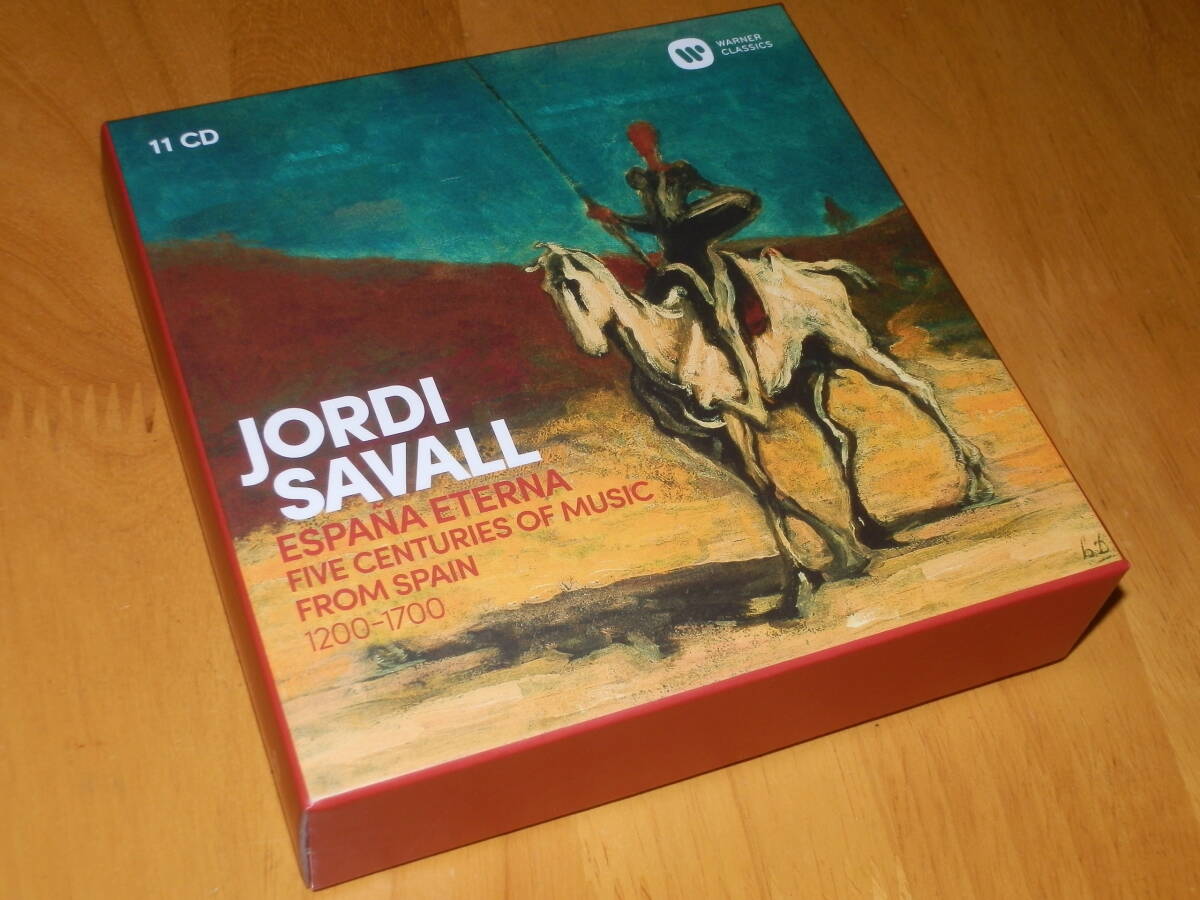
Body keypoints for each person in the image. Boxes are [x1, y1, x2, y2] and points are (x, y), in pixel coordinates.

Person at [586, 121, 769, 425]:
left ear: (654, 139)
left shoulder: (680, 172)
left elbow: (676, 218)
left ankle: (752, 388)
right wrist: (614, 219)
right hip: (671, 258)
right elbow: (657, 223)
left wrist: (619, 217)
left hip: (693, 256)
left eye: (644, 138)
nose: (640, 144)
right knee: (648, 318)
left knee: (717, 322)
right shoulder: (642, 180)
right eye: (634, 140)